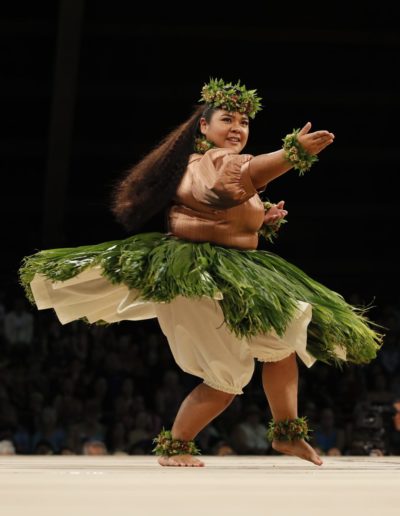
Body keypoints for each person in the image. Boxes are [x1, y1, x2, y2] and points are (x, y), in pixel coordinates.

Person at [19, 78, 382, 468]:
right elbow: (238, 178)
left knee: (283, 339)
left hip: (231, 273)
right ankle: (177, 445)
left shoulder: (216, 162)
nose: (237, 128)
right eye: (227, 119)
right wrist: (290, 153)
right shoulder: (208, 160)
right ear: (203, 127)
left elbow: (221, 206)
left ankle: (287, 434)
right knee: (226, 380)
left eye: (244, 121)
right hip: (197, 276)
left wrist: (262, 221)